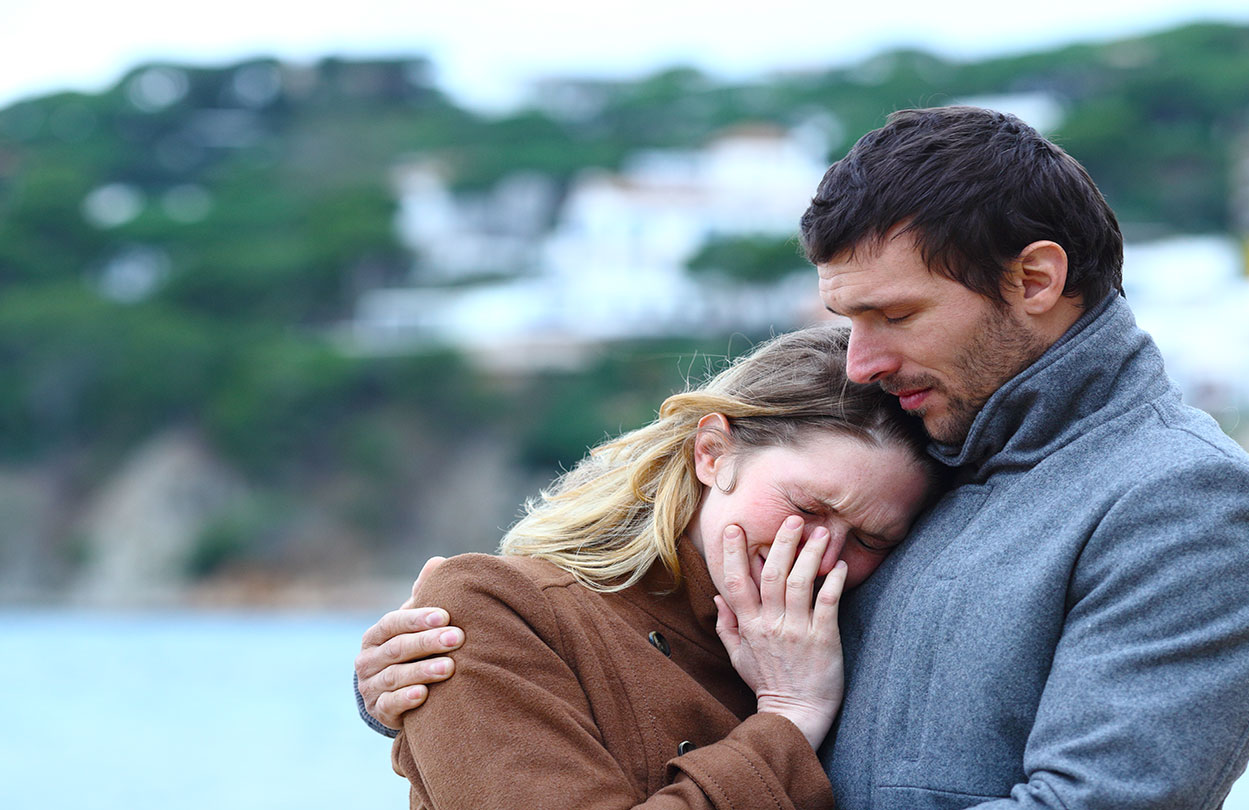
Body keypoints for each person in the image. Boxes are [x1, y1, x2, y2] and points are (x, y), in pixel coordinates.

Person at [357, 106, 1249, 810]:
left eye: (894, 315)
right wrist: (450, 691)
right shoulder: (942, 446)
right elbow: (646, 660)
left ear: (1035, 279)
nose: (863, 359)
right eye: (846, 320)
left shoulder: (1186, 502)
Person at [367, 323, 946, 809]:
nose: (819, 554)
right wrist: (789, 722)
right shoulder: (501, 606)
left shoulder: (865, 636)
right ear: (712, 452)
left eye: (870, 539)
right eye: (806, 507)